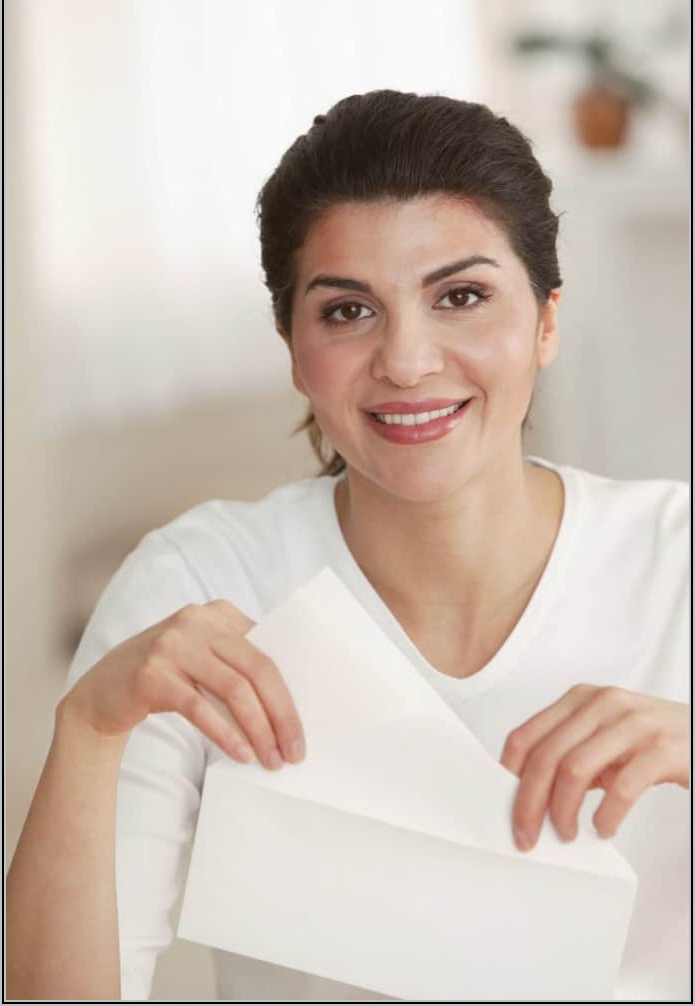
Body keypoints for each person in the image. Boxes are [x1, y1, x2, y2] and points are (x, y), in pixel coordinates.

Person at [6, 91, 689, 1002]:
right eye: (347, 311)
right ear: (293, 346)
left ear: (546, 321)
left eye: (461, 296)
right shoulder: (201, 582)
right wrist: (89, 731)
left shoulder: (674, 562)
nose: (406, 360)